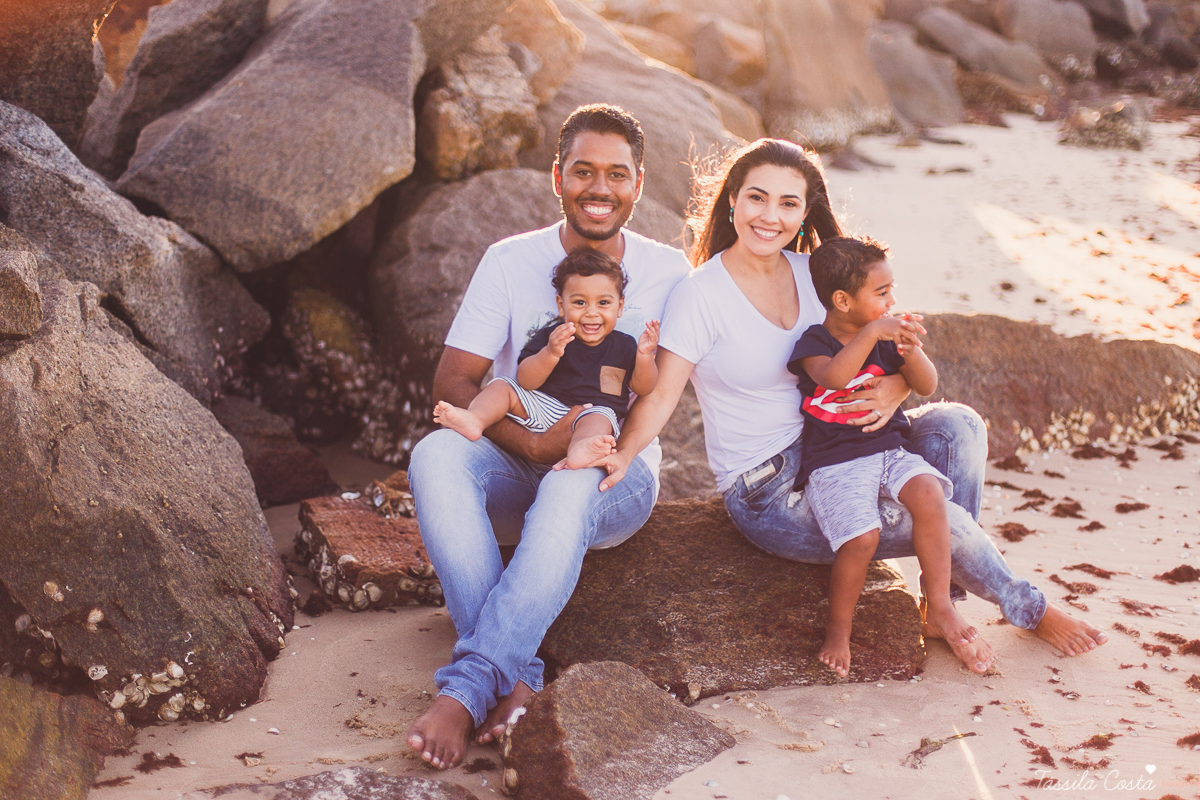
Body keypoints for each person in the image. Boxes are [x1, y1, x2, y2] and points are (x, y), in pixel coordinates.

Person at [594, 137, 1107, 678]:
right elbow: (662, 396)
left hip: (851, 442)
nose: (770, 217)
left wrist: (895, 391)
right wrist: (623, 453)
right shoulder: (702, 294)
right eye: (756, 198)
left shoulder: (819, 276)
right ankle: (1028, 606)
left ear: (806, 211)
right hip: (772, 486)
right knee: (945, 516)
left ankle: (939, 602)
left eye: (789, 204)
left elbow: (887, 348)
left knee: (960, 426)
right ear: (732, 202)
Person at [405, 104, 691, 769]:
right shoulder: (509, 261)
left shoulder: (669, 270)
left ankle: (469, 687)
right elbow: (453, 384)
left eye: (617, 174)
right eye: (584, 171)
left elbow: (662, 388)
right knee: (436, 452)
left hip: (611, 473)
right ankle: (518, 676)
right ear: (557, 176)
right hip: (518, 448)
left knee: (574, 475)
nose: (600, 188)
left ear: (639, 184)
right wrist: (533, 445)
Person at [789, 235, 976, 678]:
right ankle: (839, 631)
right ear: (842, 300)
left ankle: (940, 603)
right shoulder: (814, 341)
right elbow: (834, 378)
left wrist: (911, 352)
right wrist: (873, 331)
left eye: (892, 289)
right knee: (862, 539)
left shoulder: (890, 339)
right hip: (836, 461)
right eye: (881, 292)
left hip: (890, 448)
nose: (893, 301)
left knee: (931, 495)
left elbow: (927, 385)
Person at [433, 249, 660, 470]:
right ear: (562, 305)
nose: (591, 312)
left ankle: (581, 448)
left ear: (619, 306)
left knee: (602, 418)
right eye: (580, 302)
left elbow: (644, 386)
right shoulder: (553, 336)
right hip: (541, 407)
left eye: (603, 303)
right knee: (502, 385)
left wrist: (644, 356)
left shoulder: (625, 345)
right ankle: (476, 419)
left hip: (589, 413)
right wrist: (550, 353)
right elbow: (526, 381)